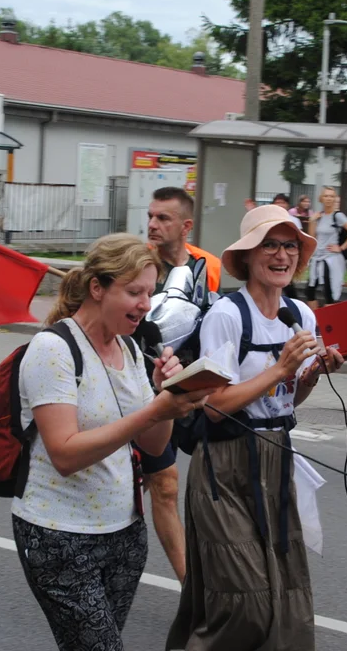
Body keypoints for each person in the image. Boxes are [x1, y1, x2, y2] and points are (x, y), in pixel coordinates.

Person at [12, 234, 218, 651]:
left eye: (150, 292)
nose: (145, 304)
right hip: (59, 537)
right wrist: (154, 410)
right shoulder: (52, 349)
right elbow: (65, 453)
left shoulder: (128, 348)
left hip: (123, 536)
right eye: (134, 292)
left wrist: (167, 397)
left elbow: (151, 443)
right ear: (96, 288)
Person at [166, 204, 346, 651]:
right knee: (244, 601)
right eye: (270, 244)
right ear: (247, 256)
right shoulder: (227, 315)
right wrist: (281, 368)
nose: (282, 255)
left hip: (276, 457)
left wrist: (309, 377)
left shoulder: (301, 314)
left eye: (289, 246)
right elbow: (214, 406)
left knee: (287, 600)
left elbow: (286, 401)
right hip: (224, 466)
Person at [141, 186, 221, 584]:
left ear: (185, 226)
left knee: (214, 480)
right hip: (142, 394)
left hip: (192, 394)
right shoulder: (134, 265)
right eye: (151, 216)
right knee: (164, 484)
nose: (153, 224)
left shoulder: (208, 267)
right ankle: (193, 589)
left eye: (163, 218)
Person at [305, 186, 347, 308]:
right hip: (318, 258)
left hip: (330, 259)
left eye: (332, 196)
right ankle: (316, 322)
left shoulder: (338, 216)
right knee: (310, 290)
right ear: (321, 199)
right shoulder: (319, 215)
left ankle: (327, 324)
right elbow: (312, 238)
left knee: (328, 293)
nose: (329, 199)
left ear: (335, 199)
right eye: (326, 196)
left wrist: (341, 247)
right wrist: (312, 221)